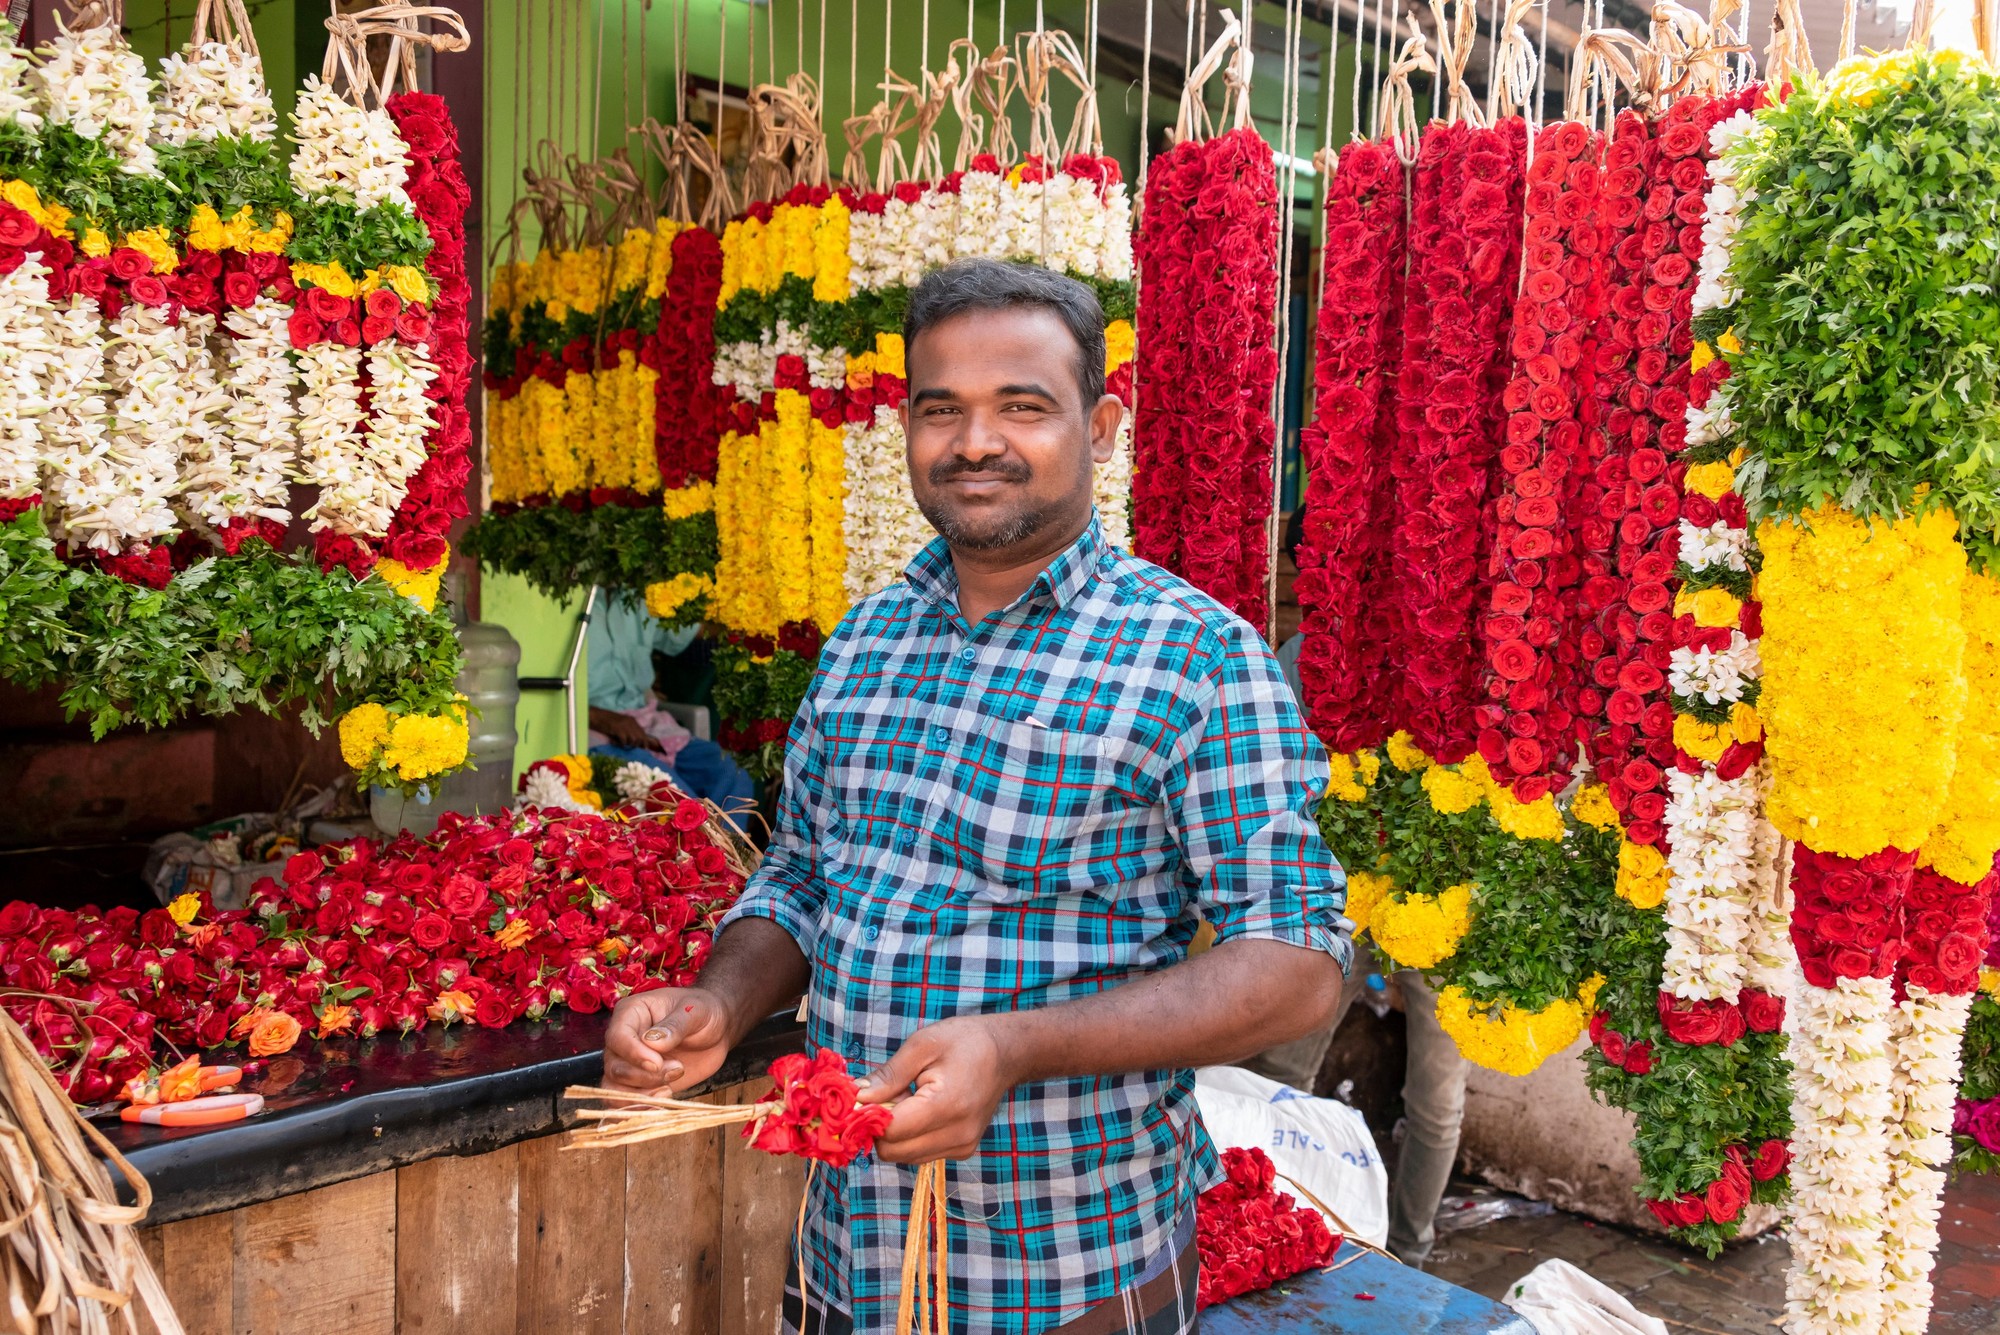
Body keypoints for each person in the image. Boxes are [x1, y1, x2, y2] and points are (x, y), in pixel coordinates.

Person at [602, 259, 1351, 1335]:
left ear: (1099, 426)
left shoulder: (1193, 657)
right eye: (939, 408)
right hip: (843, 1252)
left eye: (1023, 407)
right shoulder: (866, 640)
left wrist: (1013, 1048)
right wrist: (721, 1002)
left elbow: (1296, 966)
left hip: (1062, 1275)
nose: (974, 442)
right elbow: (802, 875)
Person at [1249, 504, 1469, 1271]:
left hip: (1438, 902)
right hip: (1333, 898)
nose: (1320, 582)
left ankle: (1405, 1255)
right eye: (1310, 566)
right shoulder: (1298, 658)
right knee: (1281, 1072)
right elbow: (1271, 779)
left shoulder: (1436, 650)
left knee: (1437, 1098)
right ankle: (1285, 1230)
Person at [585, 594, 755, 816]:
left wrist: (758, 620)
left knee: (733, 774)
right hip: (590, 730)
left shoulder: (634, 593)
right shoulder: (565, 599)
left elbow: (693, 630)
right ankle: (708, 847)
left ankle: (727, 849)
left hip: (647, 723)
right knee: (679, 801)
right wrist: (604, 719)